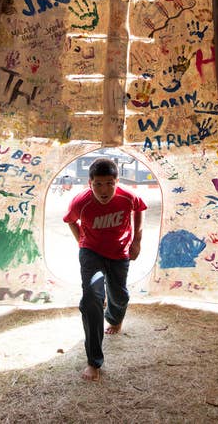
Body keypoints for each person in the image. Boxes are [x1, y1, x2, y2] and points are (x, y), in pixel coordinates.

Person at [64, 156, 147, 382]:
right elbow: (70, 220)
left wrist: (137, 240)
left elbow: (139, 208)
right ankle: (94, 361)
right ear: (89, 183)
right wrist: (81, 240)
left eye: (110, 183)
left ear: (117, 181)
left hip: (119, 253)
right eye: (98, 184)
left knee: (119, 294)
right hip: (91, 253)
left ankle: (115, 316)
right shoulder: (81, 202)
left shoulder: (127, 197)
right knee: (92, 298)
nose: (104, 190)